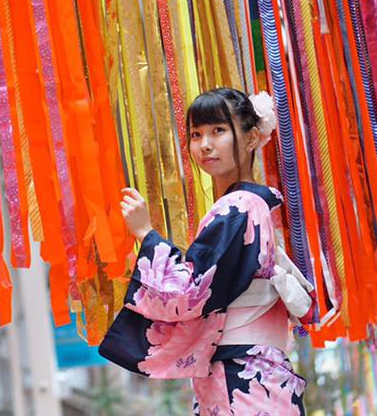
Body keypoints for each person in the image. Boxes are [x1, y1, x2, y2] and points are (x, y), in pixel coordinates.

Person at [99, 87, 313, 414]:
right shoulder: (252, 206)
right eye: (196, 134)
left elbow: (189, 291)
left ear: (252, 138)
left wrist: (145, 233)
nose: (205, 144)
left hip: (241, 375)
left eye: (218, 131)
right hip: (252, 372)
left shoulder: (238, 207)